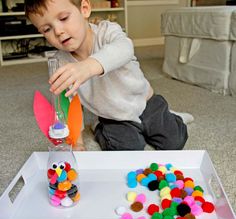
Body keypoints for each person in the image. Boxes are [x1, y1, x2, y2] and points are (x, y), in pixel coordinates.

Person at [25, 0, 191, 151]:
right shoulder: (60, 64)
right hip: (113, 117)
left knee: (174, 141)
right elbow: (69, 104)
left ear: (84, 9)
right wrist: (77, 141)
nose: (59, 31)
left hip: (146, 103)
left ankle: (172, 117)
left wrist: (89, 66)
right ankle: (99, 127)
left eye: (63, 18)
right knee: (124, 150)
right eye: (47, 29)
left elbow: (124, 48)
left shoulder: (107, 32)